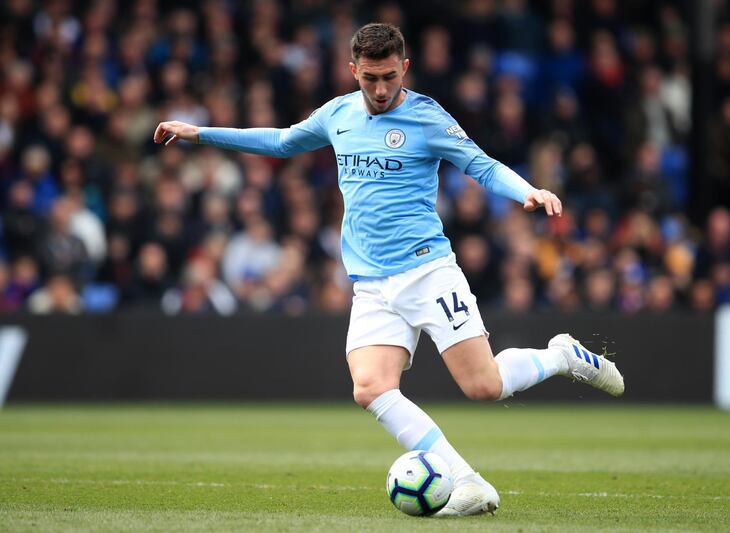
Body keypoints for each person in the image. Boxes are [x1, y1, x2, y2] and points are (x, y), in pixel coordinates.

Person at [153, 23, 624, 517]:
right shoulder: (337, 113)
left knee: (483, 386)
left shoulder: (427, 117)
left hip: (428, 272)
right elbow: (282, 141)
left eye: (390, 78)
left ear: (406, 68)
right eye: (370, 78)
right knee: (371, 387)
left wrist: (526, 190)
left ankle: (562, 355)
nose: (380, 90)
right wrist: (201, 133)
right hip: (371, 284)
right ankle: (467, 481)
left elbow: (481, 165)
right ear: (353, 70)